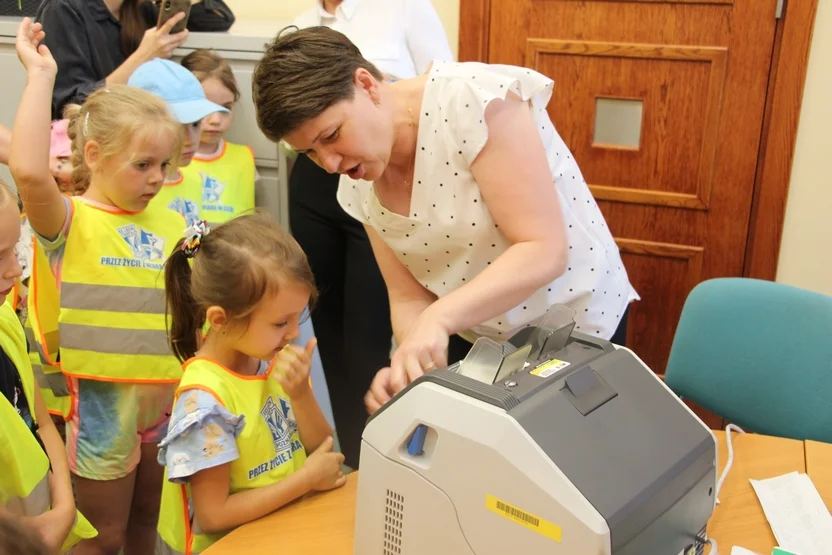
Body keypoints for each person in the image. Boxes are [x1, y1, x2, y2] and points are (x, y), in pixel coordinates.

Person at [252, 26, 640, 417]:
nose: (330, 164)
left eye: (332, 135)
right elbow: (408, 296)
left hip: (575, 324)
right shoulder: (356, 183)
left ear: (366, 84)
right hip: (483, 339)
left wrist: (438, 319)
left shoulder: (471, 101)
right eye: (310, 153)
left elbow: (543, 249)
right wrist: (412, 364)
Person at [9, 18, 193, 555]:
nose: (157, 178)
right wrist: (41, 74)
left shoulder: (175, 220)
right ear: (94, 156)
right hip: (100, 411)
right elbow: (27, 171)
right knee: (102, 537)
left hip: (163, 405)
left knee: (144, 529)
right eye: (143, 165)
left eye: (164, 164)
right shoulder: (68, 221)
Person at [285, 0, 454, 469]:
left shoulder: (404, 9)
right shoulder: (300, 22)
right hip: (316, 185)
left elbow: (442, 89)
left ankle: (381, 460)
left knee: (366, 334)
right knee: (326, 328)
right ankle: (353, 461)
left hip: (376, 175)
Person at [156, 214, 347, 553]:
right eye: (280, 323)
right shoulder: (205, 400)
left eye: (297, 317)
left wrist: (301, 395)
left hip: (283, 534)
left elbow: (322, 449)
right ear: (220, 319)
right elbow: (213, 515)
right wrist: (304, 481)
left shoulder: (270, 356)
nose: (294, 333)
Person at [0, 181, 97, 554]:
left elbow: (40, 421)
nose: (15, 270)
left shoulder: (7, 322)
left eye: (15, 249)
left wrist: (65, 507)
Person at [36, 0, 235, 119]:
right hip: (77, 160)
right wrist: (143, 56)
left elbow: (219, 16)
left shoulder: (140, 9)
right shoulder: (62, 9)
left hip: (127, 148)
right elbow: (71, 108)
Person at [127, 57, 229, 227]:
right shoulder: (133, 190)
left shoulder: (195, 181)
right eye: (177, 127)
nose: (189, 139)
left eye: (196, 124)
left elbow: (195, 243)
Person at [181, 49, 257, 225]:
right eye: (205, 107)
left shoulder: (243, 158)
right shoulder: (167, 163)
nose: (216, 120)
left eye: (226, 108)